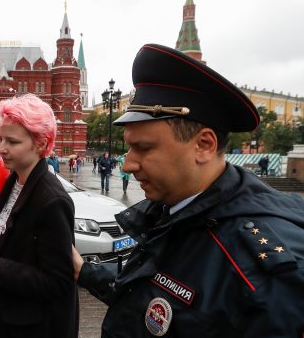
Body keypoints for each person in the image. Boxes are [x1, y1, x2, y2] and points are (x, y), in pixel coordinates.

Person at [72, 43, 304, 337]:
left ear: (203, 146)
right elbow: (150, 298)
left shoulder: (265, 276)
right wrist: (85, 270)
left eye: (143, 148)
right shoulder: (172, 209)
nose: (127, 164)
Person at [0, 94, 78, 338]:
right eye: (0, 138)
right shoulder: (13, 182)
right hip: (1, 314)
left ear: (41, 144)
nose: (1, 148)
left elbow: (58, 283)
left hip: (25, 327)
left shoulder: (51, 200)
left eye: (12, 142)